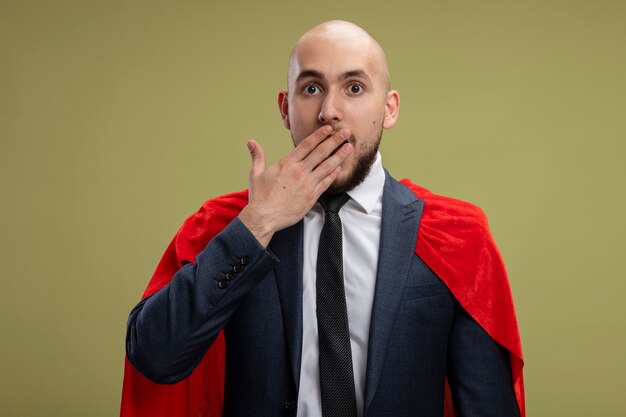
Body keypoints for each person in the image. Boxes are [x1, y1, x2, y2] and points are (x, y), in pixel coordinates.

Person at [121, 20, 525, 417]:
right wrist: (258, 222)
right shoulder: (226, 226)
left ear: (389, 109)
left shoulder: (453, 235)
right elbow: (154, 356)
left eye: (354, 88)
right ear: (285, 109)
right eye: (311, 88)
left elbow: (487, 404)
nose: (330, 112)